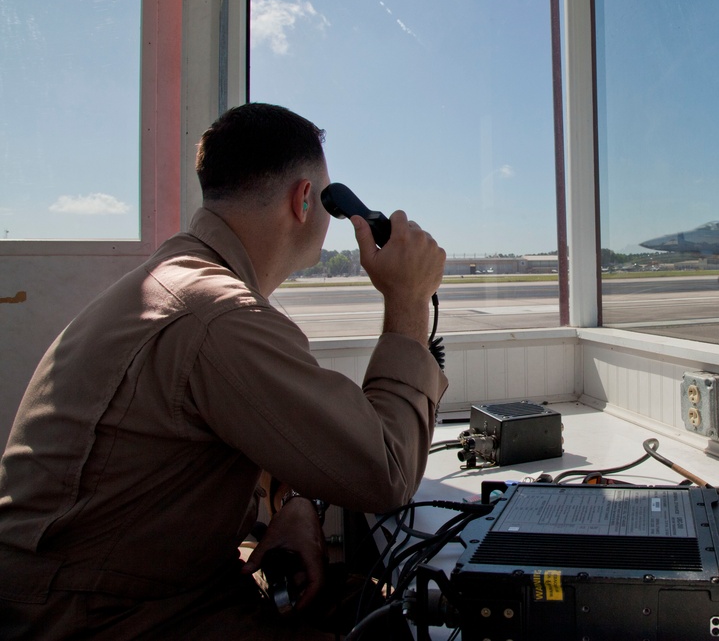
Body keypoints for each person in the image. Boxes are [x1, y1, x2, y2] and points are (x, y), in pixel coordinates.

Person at [0, 102, 448, 639]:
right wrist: (408, 301)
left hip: (99, 593)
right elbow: (386, 473)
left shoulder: (182, 282)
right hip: (98, 619)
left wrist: (296, 504)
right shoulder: (220, 316)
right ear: (306, 200)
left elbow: (254, 431)